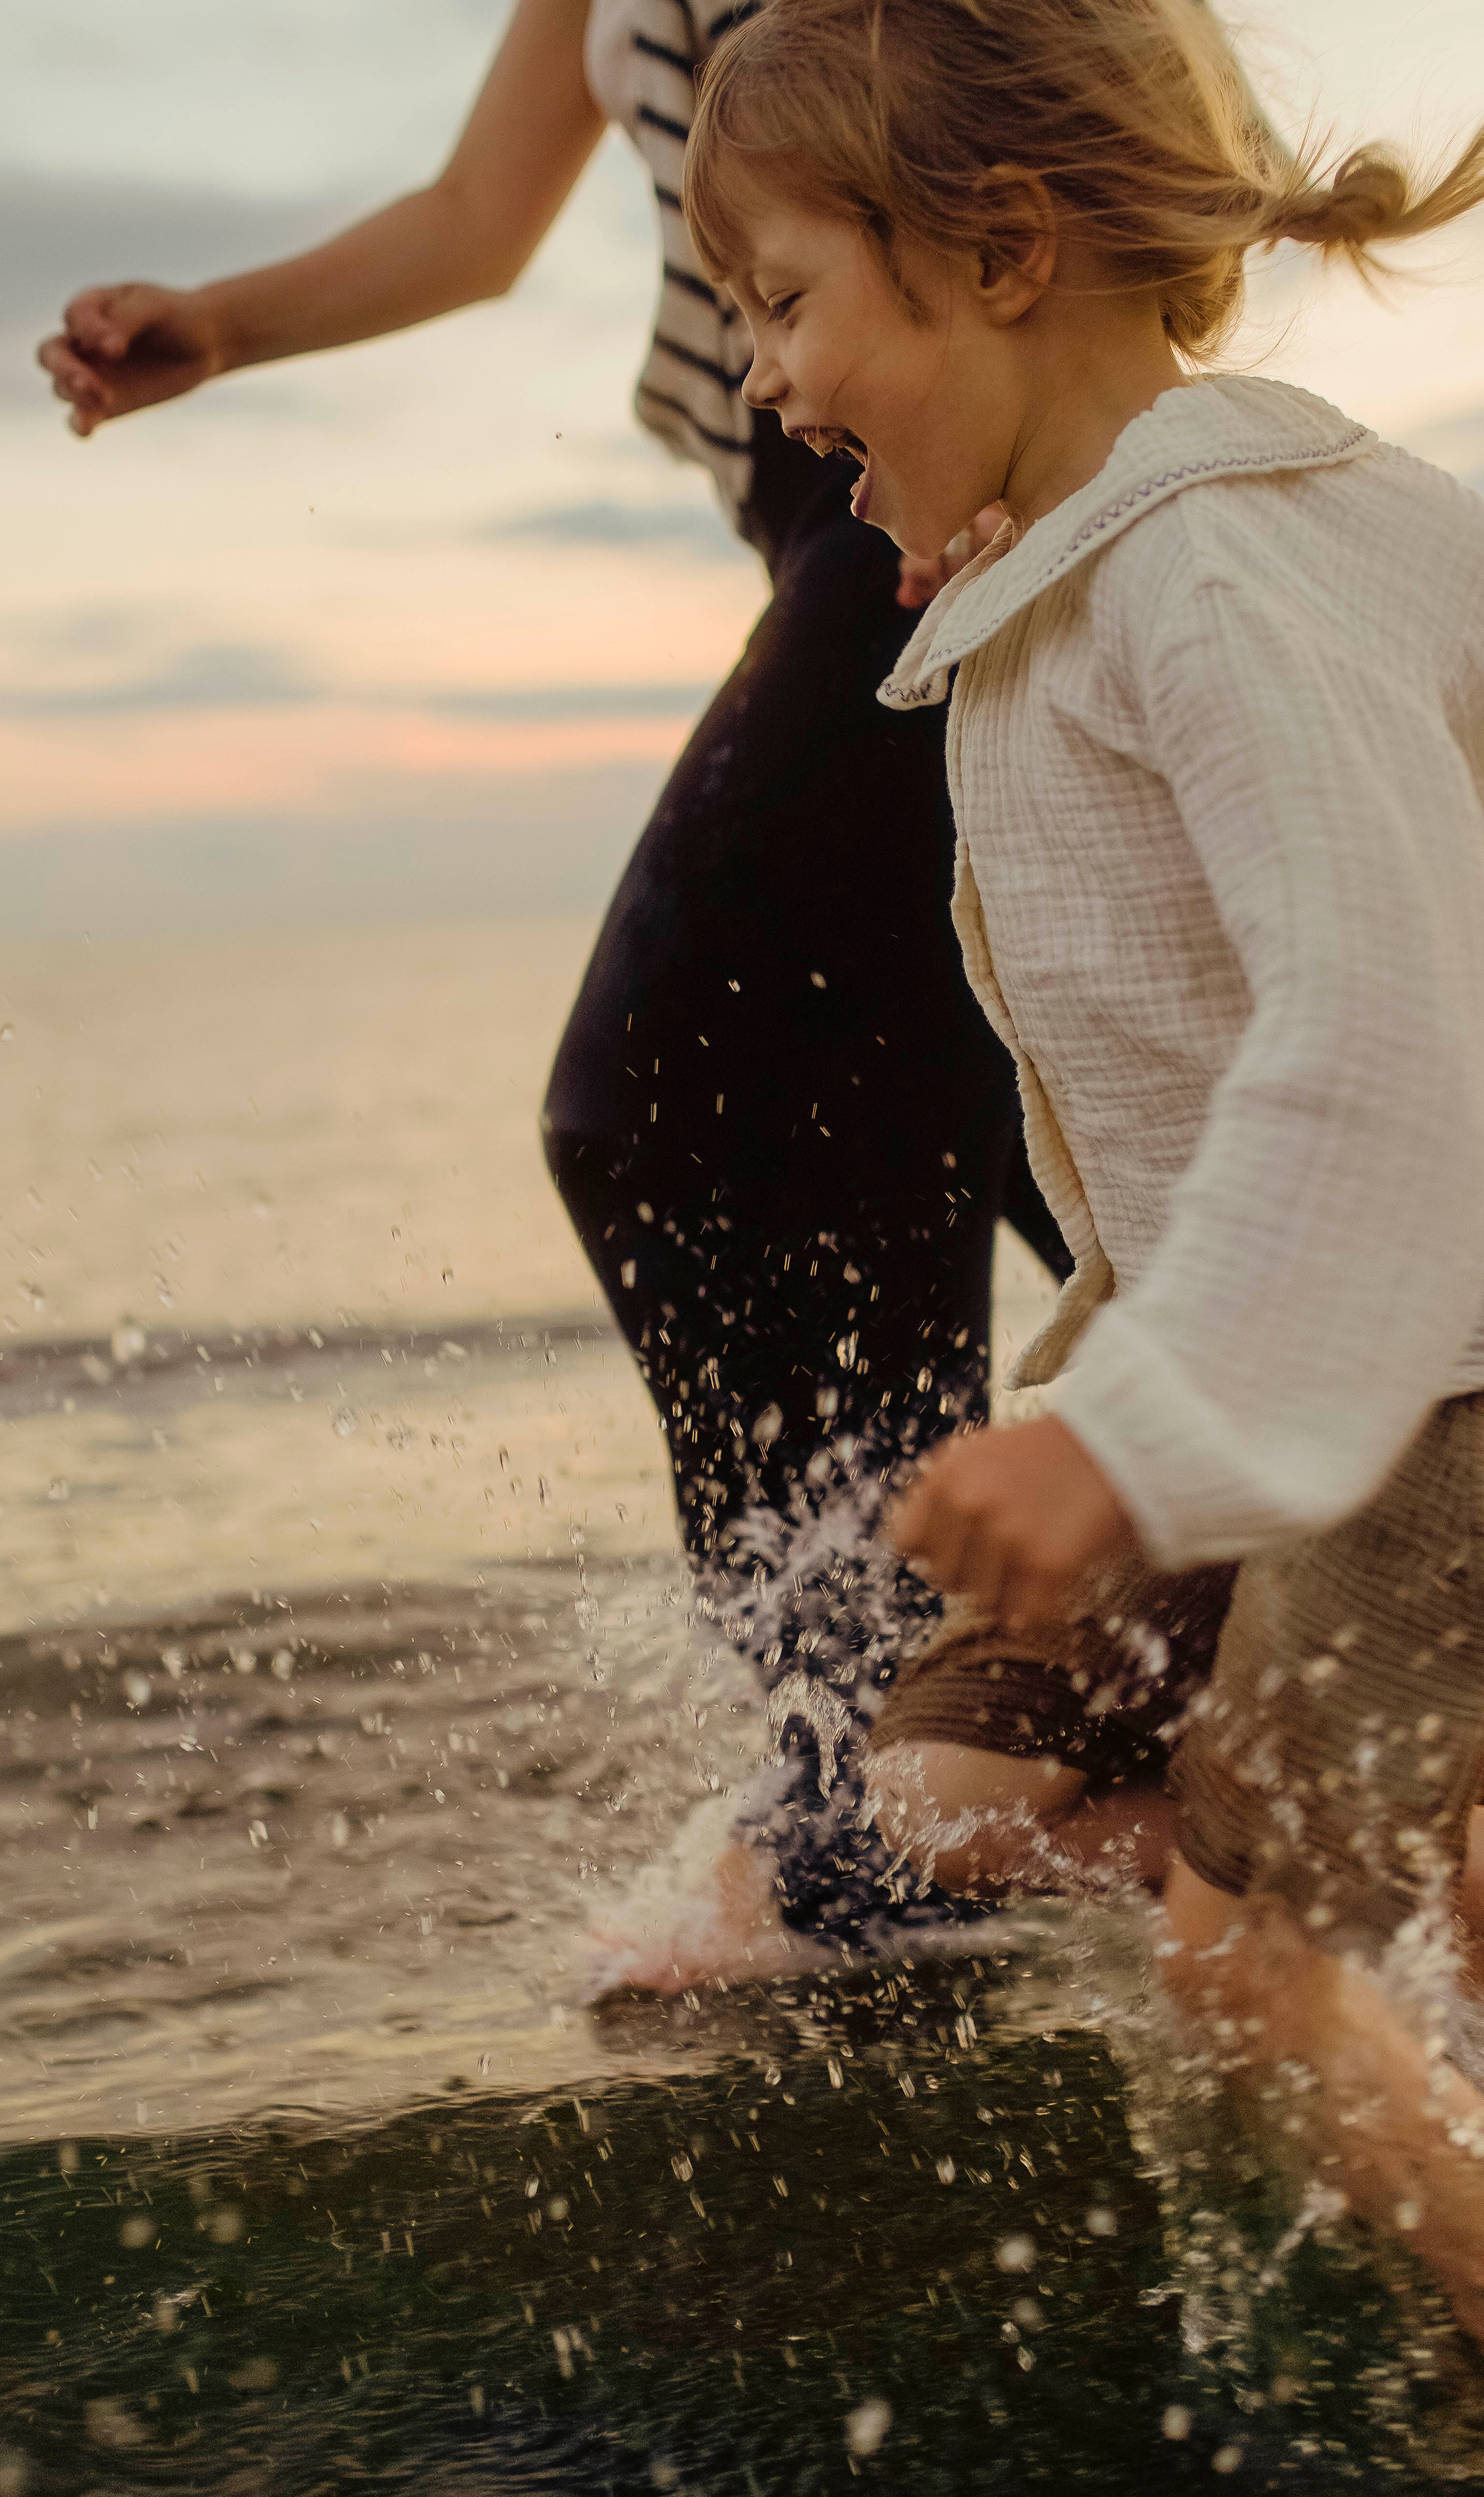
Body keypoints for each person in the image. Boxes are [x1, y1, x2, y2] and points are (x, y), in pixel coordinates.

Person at [682, 0, 1484, 2465]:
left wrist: (1124, 1438)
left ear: (1002, 254)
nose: (765, 376)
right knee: (922, 1815)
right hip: (1231, 1334)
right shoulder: (1094, 560)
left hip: (1434, 1374)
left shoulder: (1221, 578)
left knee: (1253, 1988)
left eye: (787, 300)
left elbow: (1383, 1024)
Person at [36, 0, 1075, 1990]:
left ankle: (888, 1801)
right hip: (833, 505)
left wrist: (1050, 446)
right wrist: (225, 324)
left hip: (959, 486)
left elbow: (1093, 98)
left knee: (670, 1112)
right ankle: (1102, 1729)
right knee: (985, 1108)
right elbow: (475, 217)